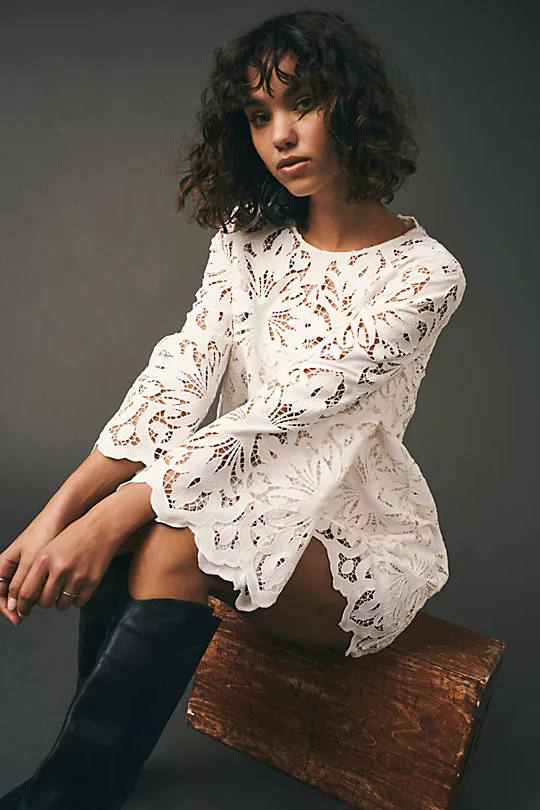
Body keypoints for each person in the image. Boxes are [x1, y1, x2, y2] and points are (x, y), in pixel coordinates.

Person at [0, 9, 467, 809]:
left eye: (301, 103)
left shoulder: (426, 277)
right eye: (258, 116)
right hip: (235, 488)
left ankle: (69, 796)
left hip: (351, 539)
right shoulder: (247, 236)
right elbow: (184, 372)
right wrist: (60, 511)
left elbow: (280, 415)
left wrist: (113, 515)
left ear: (352, 106)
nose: (281, 134)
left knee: (167, 534)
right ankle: (79, 780)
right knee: (157, 522)